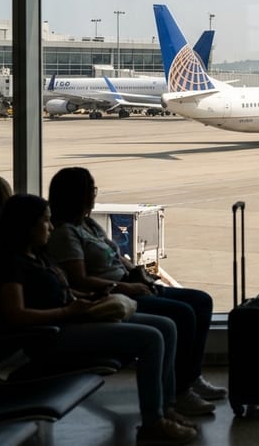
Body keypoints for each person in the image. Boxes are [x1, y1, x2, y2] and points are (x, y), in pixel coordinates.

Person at [0, 194, 197, 445]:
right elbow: (17, 315)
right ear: (27, 225)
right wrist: (69, 312)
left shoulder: (37, 255)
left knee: (167, 326)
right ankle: (153, 423)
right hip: (52, 334)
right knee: (152, 338)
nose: (51, 227)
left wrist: (94, 296)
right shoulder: (10, 263)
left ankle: (166, 408)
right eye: (45, 221)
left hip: (72, 320)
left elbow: (61, 293)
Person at [45, 167, 226, 415]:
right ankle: (181, 392)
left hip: (130, 285)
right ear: (78, 195)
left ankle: (190, 376)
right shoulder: (65, 234)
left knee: (201, 302)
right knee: (183, 314)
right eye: (91, 190)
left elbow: (116, 256)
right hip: (115, 295)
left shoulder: (87, 224)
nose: (94, 195)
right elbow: (79, 281)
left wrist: (139, 273)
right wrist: (127, 286)